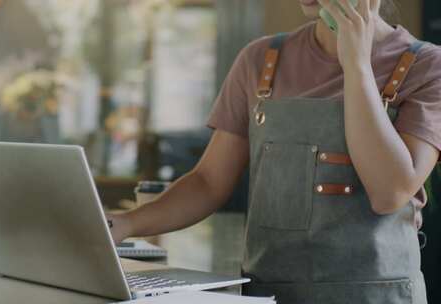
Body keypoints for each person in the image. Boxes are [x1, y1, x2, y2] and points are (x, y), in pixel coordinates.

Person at [108, 0, 441, 303]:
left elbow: (390, 193)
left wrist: (356, 64)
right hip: (269, 295)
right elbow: (209, 182)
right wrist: (124, 224)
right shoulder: (260, 59)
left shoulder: (428, 66)